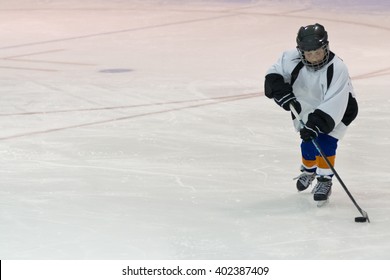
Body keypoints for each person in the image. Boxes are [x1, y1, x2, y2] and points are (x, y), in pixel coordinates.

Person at [264, 23, 358, 202]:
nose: (314, 58)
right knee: (307, 141)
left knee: (324, 141)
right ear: (301, 52)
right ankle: (308, 171)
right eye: (309, 54)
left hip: (340, 108)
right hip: (308, 104)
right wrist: (281, 93)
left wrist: (316, 124)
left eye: (318, 52)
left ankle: (325, 179)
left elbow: (334, 102)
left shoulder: (337, 68)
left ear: (326, 47)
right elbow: (274, 75)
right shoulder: (289, 58)